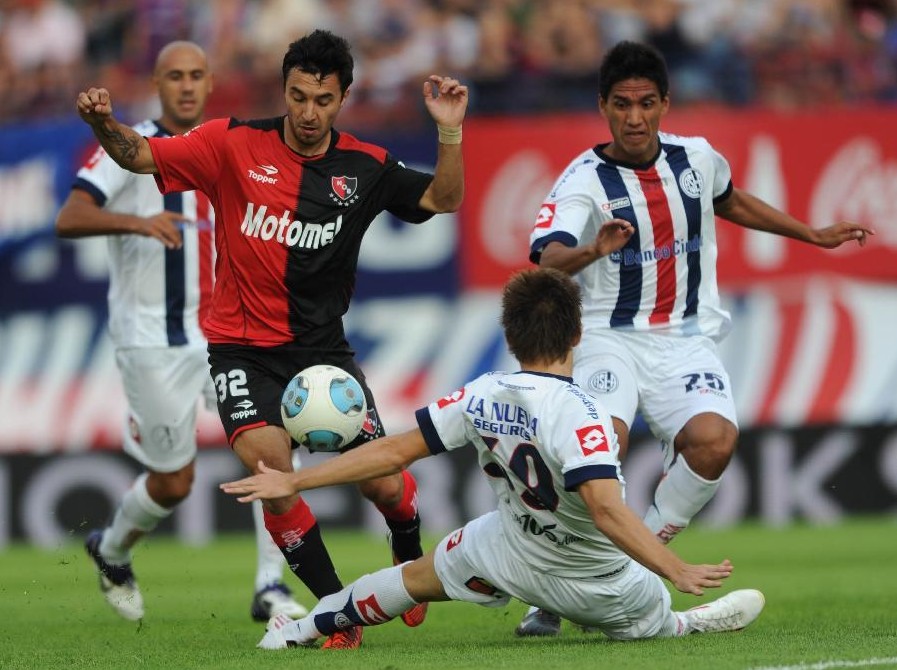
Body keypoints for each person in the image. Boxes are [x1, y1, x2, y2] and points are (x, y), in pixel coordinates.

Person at [73, 29, 467, 649]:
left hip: (323, 357)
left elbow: (444, 198)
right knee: (271, 470)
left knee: (383, 482)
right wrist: (103, 123)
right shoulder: (230, 143)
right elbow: (138, 156)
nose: (309, 113)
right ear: (283, 90)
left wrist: (449, 130)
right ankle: (339, 612)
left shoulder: (363, 166)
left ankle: (406, 537)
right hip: (241, 350)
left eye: (324, 100)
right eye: (299, 96)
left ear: (343, 100)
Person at [517, 39, 874, 637]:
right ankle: (551, 593)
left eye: (647, 104)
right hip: (608, 336)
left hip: (683, 337)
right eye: (623, 105)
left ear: (665, 104)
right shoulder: (583, 179)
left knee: (714, 442)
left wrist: (812, 234)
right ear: (603, 105)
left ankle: (632, 556)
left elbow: (731, 201)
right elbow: (545, 260)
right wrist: (592, 251)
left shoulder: (697, 158)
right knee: (598, 448)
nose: (635, 117)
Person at [219, 267, 765, 650]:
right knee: (655, 624)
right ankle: (687, 625)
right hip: (595, 578)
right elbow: (605, 509)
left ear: (509, 334)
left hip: (504, 549)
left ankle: (296, 631)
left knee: (408, 579)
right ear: (577, 334)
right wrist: (674, 568)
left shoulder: (480, 394)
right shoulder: (583, 413)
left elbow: (389, 451)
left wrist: (297, 482)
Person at [56, 41, 307, 624]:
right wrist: (137, 221)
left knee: (269, 449)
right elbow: (69, 216)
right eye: (175, 76)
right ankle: (112, 550)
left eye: (196, 75)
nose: (187, 86)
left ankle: (270, 586)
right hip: (151, 337)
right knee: (174, 483)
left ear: (211, 81)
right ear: (158, 82)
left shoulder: (231, 142)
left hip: (225, 333)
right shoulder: (127, 144)